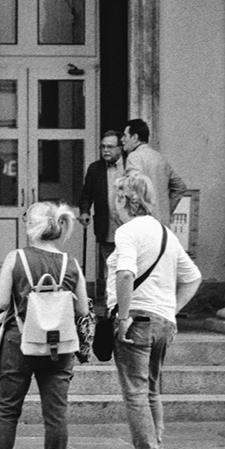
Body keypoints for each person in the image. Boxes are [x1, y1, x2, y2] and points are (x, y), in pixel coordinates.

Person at [0, 202, 89, 449]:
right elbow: (83, 309)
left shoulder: (16, 258)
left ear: (31, 227)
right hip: (59, 346)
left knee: (7, 409)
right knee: (56, 413)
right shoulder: (71, 263)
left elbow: (1, 302)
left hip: (19, 341)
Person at [108, 172, 202, 449]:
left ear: (123, 198)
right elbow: (192, 277)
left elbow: (125, 274)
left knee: (135, 392)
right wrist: (170, 310)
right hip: (162, 322)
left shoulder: (128, 231)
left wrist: (122, 318)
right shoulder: (164, 232)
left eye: (116, 195)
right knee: (150, 389)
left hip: (138, 319)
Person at [79, 131, 125, 313]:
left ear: (120, 148)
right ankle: (110, 308)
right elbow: (86, 194)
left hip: (127, 227)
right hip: (107, 228)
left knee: (127, 268)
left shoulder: (131, 167)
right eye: (103, 146)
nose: (105, 150)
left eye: (110, 147)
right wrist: (84, 211)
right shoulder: (95, 168)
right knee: (109, 270)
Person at [122, 119, 187, 225]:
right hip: (162, 225)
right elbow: (180, 187)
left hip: (143, 224)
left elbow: (135, 190)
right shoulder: (160, 158)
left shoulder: (134, 157)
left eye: (125, 135)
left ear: (134, 138)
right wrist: (165, 211)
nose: (122, 139)